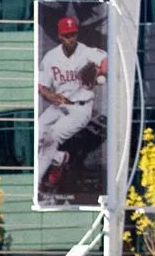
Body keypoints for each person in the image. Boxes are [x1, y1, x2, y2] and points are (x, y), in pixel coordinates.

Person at [36, 13, 106, 195]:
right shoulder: (51, 57)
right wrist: (50, 96)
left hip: (80, 108)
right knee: (37, 133)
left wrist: (100, 71)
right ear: (60, 36)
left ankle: (37, 183)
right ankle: (59, 158)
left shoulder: (86, 52)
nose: (71, 38)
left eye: (73, 34)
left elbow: (105, 59)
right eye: (67, 35)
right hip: (59, 104)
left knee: (51, 138)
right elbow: (41, 86)